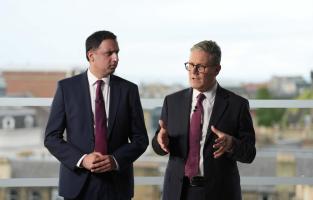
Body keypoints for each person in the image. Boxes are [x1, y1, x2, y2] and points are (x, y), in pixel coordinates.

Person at [44, 30, 149, 200]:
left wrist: (115, 160)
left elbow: (140, 139)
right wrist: (82, 159)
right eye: (109, 53)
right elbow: (51, 137)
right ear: (91, 56)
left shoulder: (129, 90)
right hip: (77, 185)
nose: (116, 58)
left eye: (117, 53)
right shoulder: (66, 88)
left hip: (117, 186)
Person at [152, 40, 256, 200]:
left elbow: (249, 153)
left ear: (217, 70)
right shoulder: (172, 102)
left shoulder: (237, 105)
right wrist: (160, 142)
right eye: (190, 65)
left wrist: (231, 144)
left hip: (220, 192)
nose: (193, 71)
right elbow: (159, 144)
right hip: (178, 192)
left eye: (201, 67)